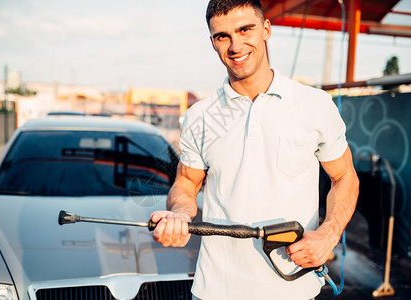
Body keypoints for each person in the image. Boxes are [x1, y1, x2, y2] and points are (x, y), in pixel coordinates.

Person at [151, 0, 359, 299]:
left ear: (266, 29)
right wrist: (179, 215)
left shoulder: (314, 105)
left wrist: (328, 235)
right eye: (223, 36)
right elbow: (186, 184)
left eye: (245, 29)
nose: (235, 45)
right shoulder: (200, 116)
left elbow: (345, 178)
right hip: (215, 290)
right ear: (213, 42)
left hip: (293, 288)